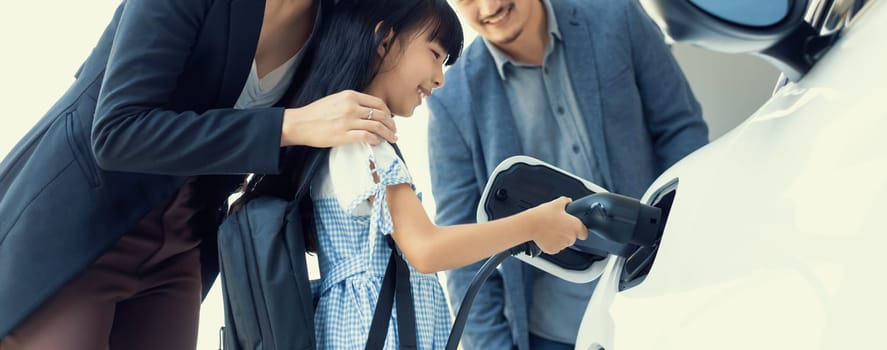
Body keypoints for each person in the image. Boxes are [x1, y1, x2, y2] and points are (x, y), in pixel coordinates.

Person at [0, 0, 402, 349]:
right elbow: (116, 133)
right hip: (86, 224)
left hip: (184, 239)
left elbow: (414, 27)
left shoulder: (334, 18)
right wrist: (287, 125)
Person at [255, 0, 587, 348]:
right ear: (384, 41)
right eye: (434, 54)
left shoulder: (346, 139)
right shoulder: (363, 143)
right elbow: (426, 249)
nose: (441, 78)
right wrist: (533, 225)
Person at [426, 0, 711, 349]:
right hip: (556, 334)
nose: (490, 5)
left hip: (667, 290)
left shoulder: (616, 16)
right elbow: (464, 247)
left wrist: (688, 238)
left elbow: (680, 127)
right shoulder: (451, 100)